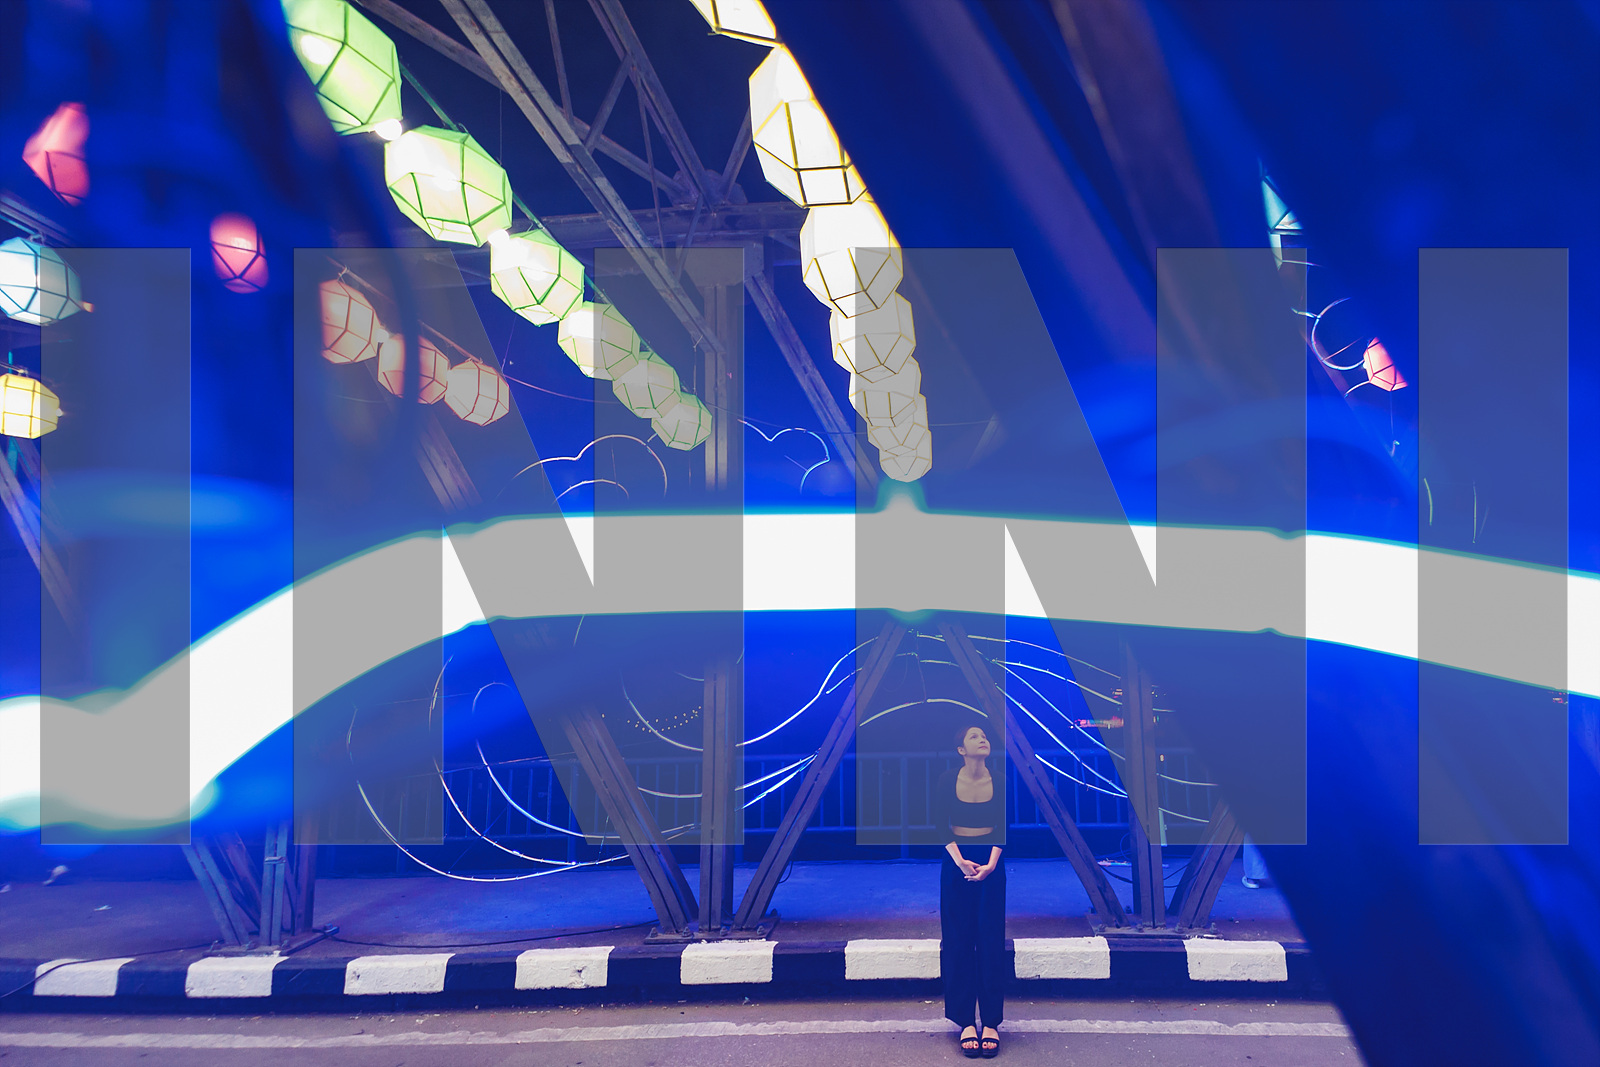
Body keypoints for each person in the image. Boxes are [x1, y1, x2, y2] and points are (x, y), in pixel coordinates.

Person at [934, 723, 1006, 1058]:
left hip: (991, 860)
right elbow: (939, 824)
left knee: (990, 940)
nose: (982, 739)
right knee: (958, 939)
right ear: (961, 750)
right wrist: (960, 861)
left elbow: (1004, 825)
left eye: (984, 735)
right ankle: (964, 1021)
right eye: (974, 736)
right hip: (956, 860)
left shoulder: (1000, 779)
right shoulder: (947, 779)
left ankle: (990, 1022)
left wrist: (990, 865)